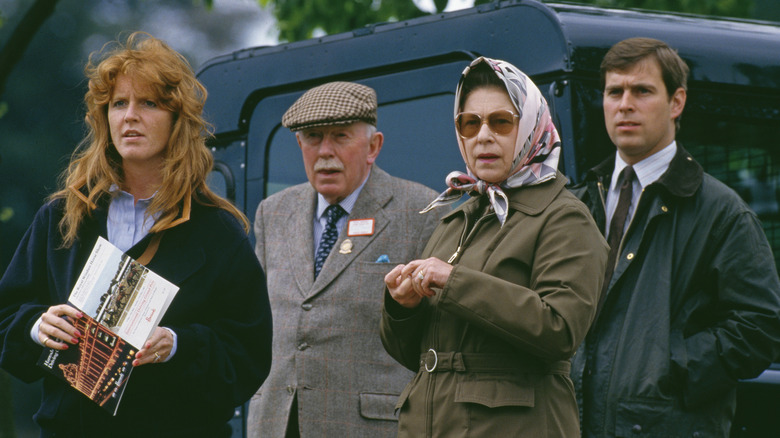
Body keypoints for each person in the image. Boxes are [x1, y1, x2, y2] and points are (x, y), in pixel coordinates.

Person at [0, 32, 272, 437]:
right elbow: (5, 315)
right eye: (118, 104)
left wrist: (178, 345)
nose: (130, 116)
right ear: (103, 118)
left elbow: (249, 353)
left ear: (177, 119)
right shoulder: (63, 216)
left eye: (149, 103)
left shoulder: (216, 230)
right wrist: (36, 327)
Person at [380, 56, 608, 437]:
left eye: (501, 122)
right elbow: (416, 357)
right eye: (470, 123)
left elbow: (560, 329)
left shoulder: (564, 216)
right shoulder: (457, 216)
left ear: (532, 126)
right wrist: (403, 308)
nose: (483, 136)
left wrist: (454, 281)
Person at [570, 37, 780, 437]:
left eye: (642, 90)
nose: (625, 104)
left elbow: (760, 327)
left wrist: (667, 368)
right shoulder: (576, 203)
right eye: (615, 91)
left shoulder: (723, 212)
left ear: (677, 102)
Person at [247, 81, 446, 437]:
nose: (325, 151)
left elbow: (437, 337)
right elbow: (255, 321)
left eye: (340, 136)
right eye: (312, 137)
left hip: (371, 426)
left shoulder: (420, 210)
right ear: (298, 144)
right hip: (276, 424)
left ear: (373, 146)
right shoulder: (273, 213)